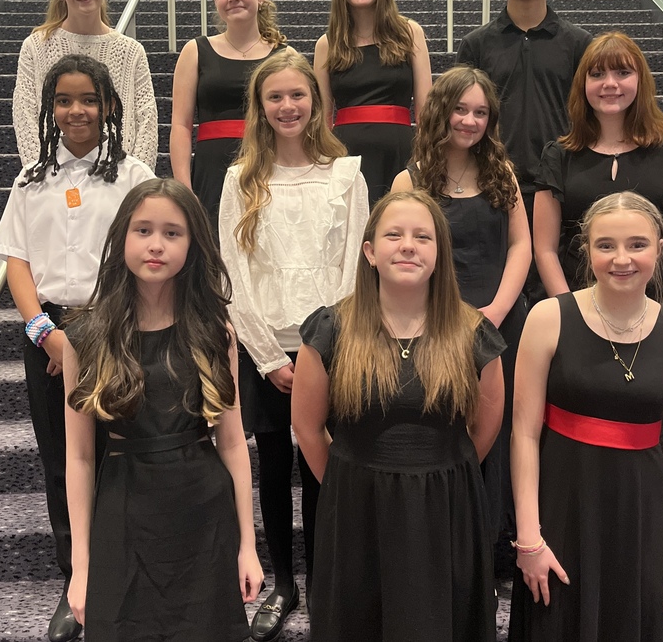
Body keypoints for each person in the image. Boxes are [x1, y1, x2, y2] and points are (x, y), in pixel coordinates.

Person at [0, 54, 155, 642]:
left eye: (88, 99)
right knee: (63, 459)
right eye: (63, 100)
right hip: (50, 334)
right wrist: (47, 333)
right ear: (49, 108)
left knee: (122, 452)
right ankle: (76, 577)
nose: (76, 110)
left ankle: (128, 568)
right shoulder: (32, 179)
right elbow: (17, 260)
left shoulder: (134, 177)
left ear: (109, 105)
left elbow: (146, 258)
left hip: (119, 330)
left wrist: (98, 334)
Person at [292, 190, 506, 642]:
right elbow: (308, 429)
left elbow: (484, 428)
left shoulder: (473, 332)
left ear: (439, 254)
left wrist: (436, 466)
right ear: (370, 252)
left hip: (446, 506)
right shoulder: (330, 330)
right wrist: (351, 478)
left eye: (422, 237)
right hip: (356, 505)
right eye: (394, 234)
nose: (408, 245)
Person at [62, 179, 262, 641]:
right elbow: (78, 457)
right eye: (143, 230)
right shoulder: (85, 336)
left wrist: (248, 546)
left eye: (173, 233)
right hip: (124, 509)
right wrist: (80, 566)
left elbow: (232, 443)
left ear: (192, 246)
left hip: (202, 512)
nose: (156, 245)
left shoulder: (215, 332)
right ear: (121, 238)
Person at [509, 191, 663, 642]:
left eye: (637, 244)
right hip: (563, 513)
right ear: (586, 250)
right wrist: (528, 539)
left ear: (661, 248)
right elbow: (523, 434)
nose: (622, 259)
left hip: (641, 522)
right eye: (606, 245)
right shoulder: (547, 317)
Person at [219, 51, 369, 641]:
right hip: (267, 354)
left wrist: (321, 350)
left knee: (326, 466)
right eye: (275, 97)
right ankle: (283, 581)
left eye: (297, 96)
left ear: (316, 103)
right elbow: (233, 273)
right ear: (260, 106)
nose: (287, 106)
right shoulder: (241, 179)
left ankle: (329, 575)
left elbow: (357, 263)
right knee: (276, 467)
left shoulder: (345, 175)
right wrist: (270, 356)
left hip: (330, 351)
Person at [391, 66, 529, 553]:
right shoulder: (409, 179)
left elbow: (521, 247)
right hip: (434, 325)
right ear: (439, 112)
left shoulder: (501, 172)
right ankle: (444, 544)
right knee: (448, 430)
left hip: (500, 318)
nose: (469, 120)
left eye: (481, 112)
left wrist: (495, 311)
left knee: (501, 431)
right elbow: (398, 260)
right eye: (460, 109)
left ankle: (492, 548)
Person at [455, 0, 591, 303]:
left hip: (561, 183)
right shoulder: (477, 44)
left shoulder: (578, 43)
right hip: (495, 182)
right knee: (502, 294)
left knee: (559, 296)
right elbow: (457, 116)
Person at [533, 31, 663, 316]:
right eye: (597, 74)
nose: (610, 83)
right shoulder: (558, 156)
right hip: (580, 299)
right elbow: (545, 248)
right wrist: (570, 314)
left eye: (622, 72)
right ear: (583, 84)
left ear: (640, 80)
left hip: (654, 302)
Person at [13, 0, 158, 170]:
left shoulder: (131, 51)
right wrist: (42, 170)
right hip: (54, 174)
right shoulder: (36, 47)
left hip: (118, 176)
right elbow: (25, 114)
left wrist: (135, 179)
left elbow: (146, 120)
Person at [314, 0, 432, 205]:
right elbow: (321, 119)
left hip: (401, 154)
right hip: (345, 158)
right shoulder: (327, 44)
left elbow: (426, 109)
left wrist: (425, 159)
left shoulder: (410, 33)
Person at [171, 0, 288, 227]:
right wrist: (183, 188)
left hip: (269, 163)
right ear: (215, 0)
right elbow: (180, 125)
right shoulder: (195, 51)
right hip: (212, 169)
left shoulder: (284, 55)